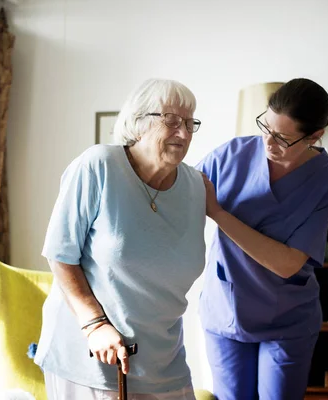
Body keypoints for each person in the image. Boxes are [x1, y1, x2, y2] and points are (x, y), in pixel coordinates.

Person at [35, 78, 206, 399]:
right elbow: (60, 253)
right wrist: (95, 325)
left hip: (165, 357)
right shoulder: (98, 165)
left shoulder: (196, 185)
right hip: (95, 350)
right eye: (170, 121)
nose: (183, 133)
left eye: (189, 123)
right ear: (138, 123)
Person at [196, 78, 328, 400]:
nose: (268, 141)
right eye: (266, 126)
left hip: (286, 318)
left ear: (314, 137)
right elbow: (176, 200)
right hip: (227, 308)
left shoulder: (327, 176)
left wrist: (220, 214)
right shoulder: (230, 155)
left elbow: (288, 262)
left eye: (283, 137)